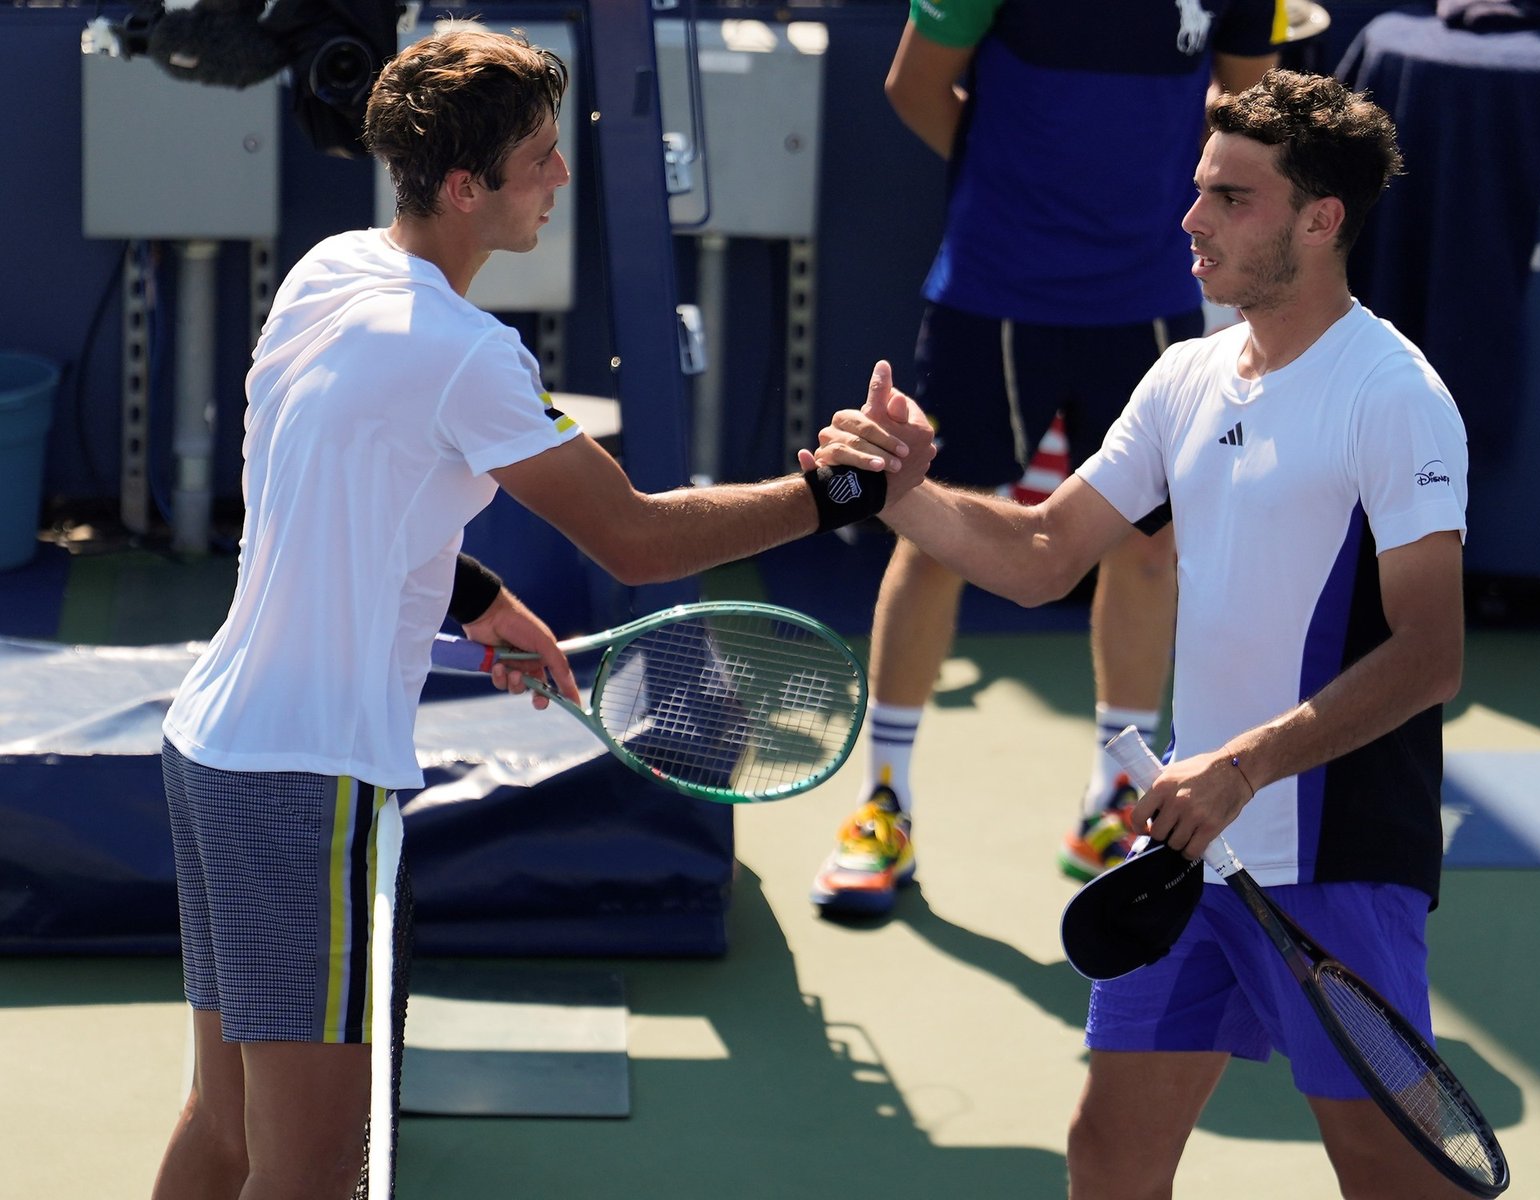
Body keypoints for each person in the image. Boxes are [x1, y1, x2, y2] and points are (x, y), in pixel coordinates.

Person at [150, 29, 932, 1200]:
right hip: (310, 786)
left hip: (209, 749)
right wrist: (838, 495)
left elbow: (340, 492)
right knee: (314, 1171)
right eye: (539, 161)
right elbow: (638, 537)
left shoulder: (332, 271)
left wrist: (477, 598)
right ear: (466, 189)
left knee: (224, 1128)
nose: (560, 180)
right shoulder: (472, 357)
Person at [822, 69, 1473, 1196]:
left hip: (1338, 856)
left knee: (1385, 1170)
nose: (1190, 218)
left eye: (1231, 197)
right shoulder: (1184, 375)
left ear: (1319, 222)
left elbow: (1431, 652)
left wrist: (1244, 764)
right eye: (1198, 189)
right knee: (1110, 1148)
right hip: (1193, 852)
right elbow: (1040, 555)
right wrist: (902, 493)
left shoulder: (1393, 394)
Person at [809, 0, 1285, 917]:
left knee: (1148, 546)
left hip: (1149, 295)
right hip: (992, 287)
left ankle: (1115, 800)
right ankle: (885, 804)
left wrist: (1166, 211)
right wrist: (1014, 184)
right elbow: (913, 84)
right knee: (935, 531)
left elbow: (1248, 105)